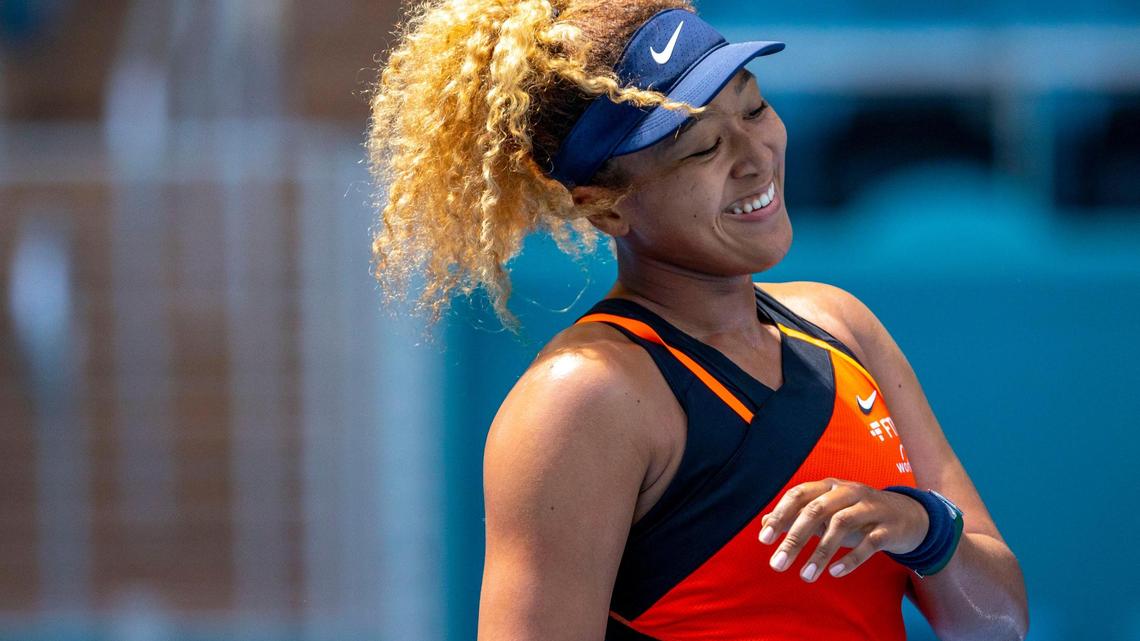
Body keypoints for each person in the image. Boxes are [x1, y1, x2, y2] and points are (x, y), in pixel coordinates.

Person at [366, 1, 1029, 639]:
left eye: (755, 107)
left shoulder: (842, 326)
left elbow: (998, 623)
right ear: (606, 207)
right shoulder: (581, 399)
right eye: (704, 148)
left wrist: (921, 527)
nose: (756, 156)